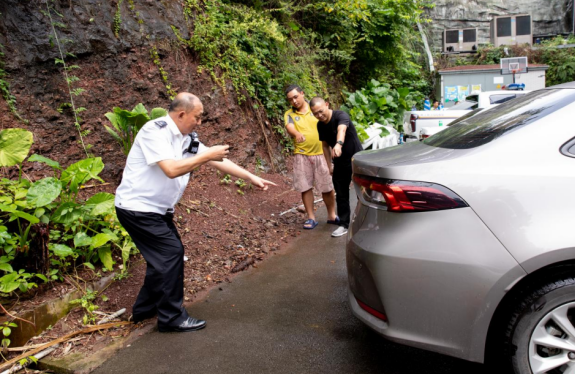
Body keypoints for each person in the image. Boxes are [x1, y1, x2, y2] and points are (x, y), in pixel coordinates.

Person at [115, 92, 276, 332]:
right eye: (197, 117)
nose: (199, 123)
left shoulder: (185, 138)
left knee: (163, 259)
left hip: (157, 210)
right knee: (171, 253)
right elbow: (171, 169)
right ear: (182, 114)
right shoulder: (154, 131)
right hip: (138, 208)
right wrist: (206, 156)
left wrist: (250, 176)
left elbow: (216, 160)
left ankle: (145, 309)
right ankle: (171, 317)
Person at [284, 85, 337, 230]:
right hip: (302, 155)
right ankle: (311, 217)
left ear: (302, 93)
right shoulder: (289, 114)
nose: (294, 101)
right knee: (305, 187)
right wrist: (296, 134)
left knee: (327, 186)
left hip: (321, 153)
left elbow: (328, 121)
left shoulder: (315, 110)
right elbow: (289, 126)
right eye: (290, 99)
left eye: (296, 97)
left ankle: (332, 215)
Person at [309, 97, 362, 238]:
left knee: (362, 192)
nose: (319, 115)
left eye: (321, 111)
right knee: (341, 193)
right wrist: (329, 165)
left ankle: (366, 222)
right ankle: (344, 224)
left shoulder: (341, 116)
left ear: (327, 104)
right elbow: (325, 146)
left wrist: (338, 144)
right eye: (315, 114)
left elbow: (342, 130)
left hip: (356, 157)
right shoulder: (320, 125)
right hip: (339, 161)